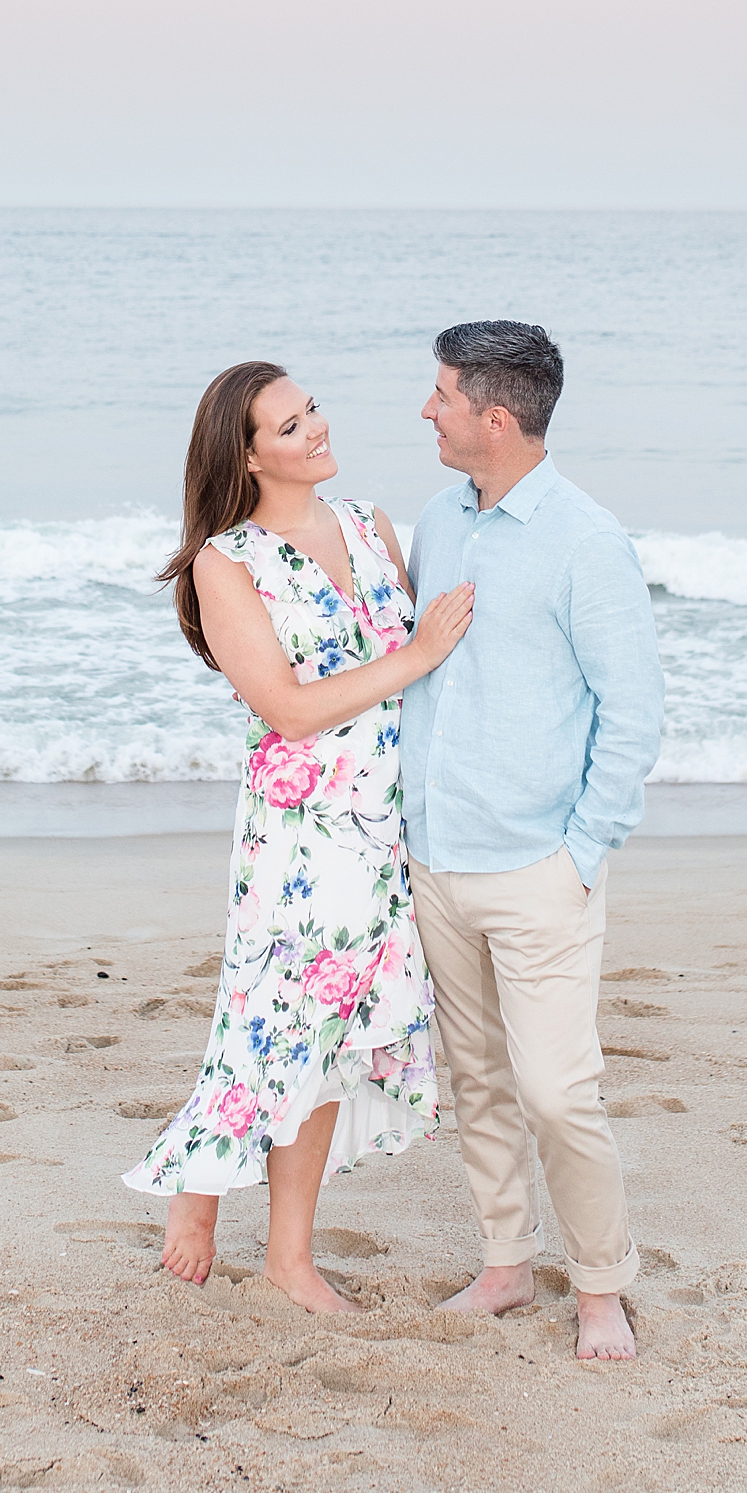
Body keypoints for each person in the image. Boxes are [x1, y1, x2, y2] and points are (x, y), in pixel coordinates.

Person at [125, 359, 474, 1312]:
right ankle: (218, 1214)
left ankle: (272, 1245)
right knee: (275, 1024)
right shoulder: (225, 561)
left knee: (320, 1035)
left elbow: (423, 689)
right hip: (298, 838)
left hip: (380, 830)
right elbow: (284, 708)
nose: (316, 429)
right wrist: (416, 655)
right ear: (246, 456)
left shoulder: (369, 526)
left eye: (311, 408)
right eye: (288, 426)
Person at [401, 320, 665, 1362]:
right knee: (475, 1075)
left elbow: (632, 710)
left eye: (440, 397)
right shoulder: (437, 517)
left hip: (539, 868)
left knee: (558, 1090)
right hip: (436, 856)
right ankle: (506, 1263)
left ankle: (601, 1285)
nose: (428, 410)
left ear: (493, 418)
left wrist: (581, 848)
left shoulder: (586, 541)